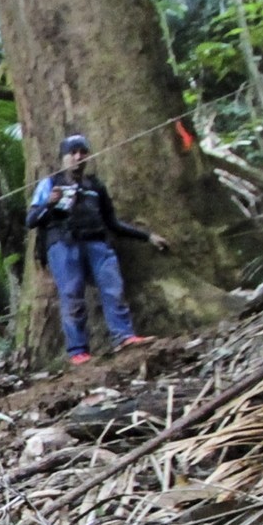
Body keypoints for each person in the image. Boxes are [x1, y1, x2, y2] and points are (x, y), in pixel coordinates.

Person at [26, 132, 167, 366]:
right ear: (63, 157)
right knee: (72, 295)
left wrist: (148, 236)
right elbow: (31, 220)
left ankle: (123, 336)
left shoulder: (95, 186)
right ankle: (78, 350)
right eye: (72, 153)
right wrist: (49, 204)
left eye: (83, 152)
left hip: (97, 243)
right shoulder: (50, 183)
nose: (78, 157)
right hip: (63, 244)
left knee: (113, 288)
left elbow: (112, 222)